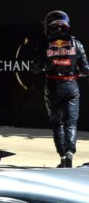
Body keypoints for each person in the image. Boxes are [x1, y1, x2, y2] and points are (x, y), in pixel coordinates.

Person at [32, 10, 89, 168]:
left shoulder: (44, 44)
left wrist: (47, 65)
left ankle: (63, 156)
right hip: (71, 85)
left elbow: (35, 68)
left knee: (57, 123)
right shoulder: (76, 43)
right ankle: (70, 153)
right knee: (71, 123)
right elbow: (86, 70)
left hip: (52, 86)